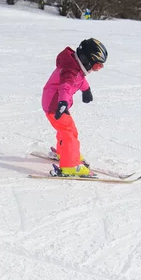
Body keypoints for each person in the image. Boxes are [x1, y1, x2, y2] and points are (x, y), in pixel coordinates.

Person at [41, 38, 107, 177]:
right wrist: (63, 103)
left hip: (54, 102)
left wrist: (86, 90)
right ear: (87, 59)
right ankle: (70, 165)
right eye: (97, 66)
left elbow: (80, 79)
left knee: (64, 129)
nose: (96, 70)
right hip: (55, 104)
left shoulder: (74, 66)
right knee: (69, 131)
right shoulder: (70, 70)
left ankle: (64, 152)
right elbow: (65, 86)